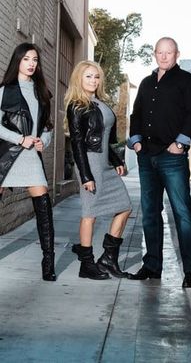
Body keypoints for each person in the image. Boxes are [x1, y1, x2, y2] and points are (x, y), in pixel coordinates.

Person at [0, 43, 56, 281]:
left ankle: (48, 262)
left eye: (35, 60)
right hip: (7, 156)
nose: (31, 64)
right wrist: (20, 138)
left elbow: (47, 127)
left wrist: (44, 141)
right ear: (18, 61)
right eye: (26, 59)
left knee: (44, 208)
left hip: (31, 157)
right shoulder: (6, 90)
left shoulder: (42, 92)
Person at [127, 37, 191, 288]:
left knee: (182, 213)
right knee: (149, 213)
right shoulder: (147, 83)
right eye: (160, 52)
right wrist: (136, 142)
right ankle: (152, 266)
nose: (164, 56)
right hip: (147, 156)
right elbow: (135, 114)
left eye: (168, 52)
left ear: (177, 54)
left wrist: (180, 143)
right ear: (155, 54)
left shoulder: (187, 82)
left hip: (172, 158)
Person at [65, 61, 133, 280]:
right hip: (90, 164)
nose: (93, 81)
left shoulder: (99, 103)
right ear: (79, 79)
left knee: (125, 207)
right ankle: (87, 264)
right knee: (90, 213)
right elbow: (77, 142)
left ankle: (108, 258)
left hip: (104, 164)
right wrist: (86, 175)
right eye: (88, 77)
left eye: (96, 77)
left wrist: (116, 160)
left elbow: (105, 139)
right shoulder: (77, 105)